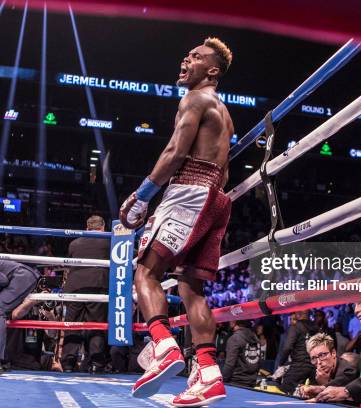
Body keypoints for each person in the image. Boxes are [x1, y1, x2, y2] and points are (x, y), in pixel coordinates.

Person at [119, 37, 233, 406]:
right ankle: (210, 374)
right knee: (190, 288)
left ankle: (163, 345)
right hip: (216, 198)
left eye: (196, 57)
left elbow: (175, 151)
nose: (186, 60)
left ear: (212, 71)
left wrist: (143, 195)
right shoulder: (224, 112)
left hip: (190, 192)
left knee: (146, 273)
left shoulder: (196, 98)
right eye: (186, 55)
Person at [61, 215, 110, 373]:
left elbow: (68, 264)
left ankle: (68, 362)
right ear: (102, 227)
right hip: (97, 285)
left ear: (86, 227)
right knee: (96, 323)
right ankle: (96, 362)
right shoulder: (109, 242)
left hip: (74, 287)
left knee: (72, 324)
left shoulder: (74, 243)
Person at [295, 333, 357, 400]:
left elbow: (340, 401)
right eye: (314, 358)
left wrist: (323, 383)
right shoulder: (317, 372)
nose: (318, 362)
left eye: (322, 355)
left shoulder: (348, 371)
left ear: (333, 353)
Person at [277, 310, 319, 395]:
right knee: (307, 395)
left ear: (298, 314)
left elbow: (287, 347)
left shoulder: (295, 327)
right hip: (313, 367)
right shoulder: (316, 328)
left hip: (299, 365)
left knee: (285, 390)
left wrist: (281, 363)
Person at [221, 320, 261, 388]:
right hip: (251, 383)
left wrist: (222, 381)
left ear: (234, 322)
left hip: (235, 383)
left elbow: (230, 364)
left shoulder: (234, 338)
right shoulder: (255, 337)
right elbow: (258, 362)